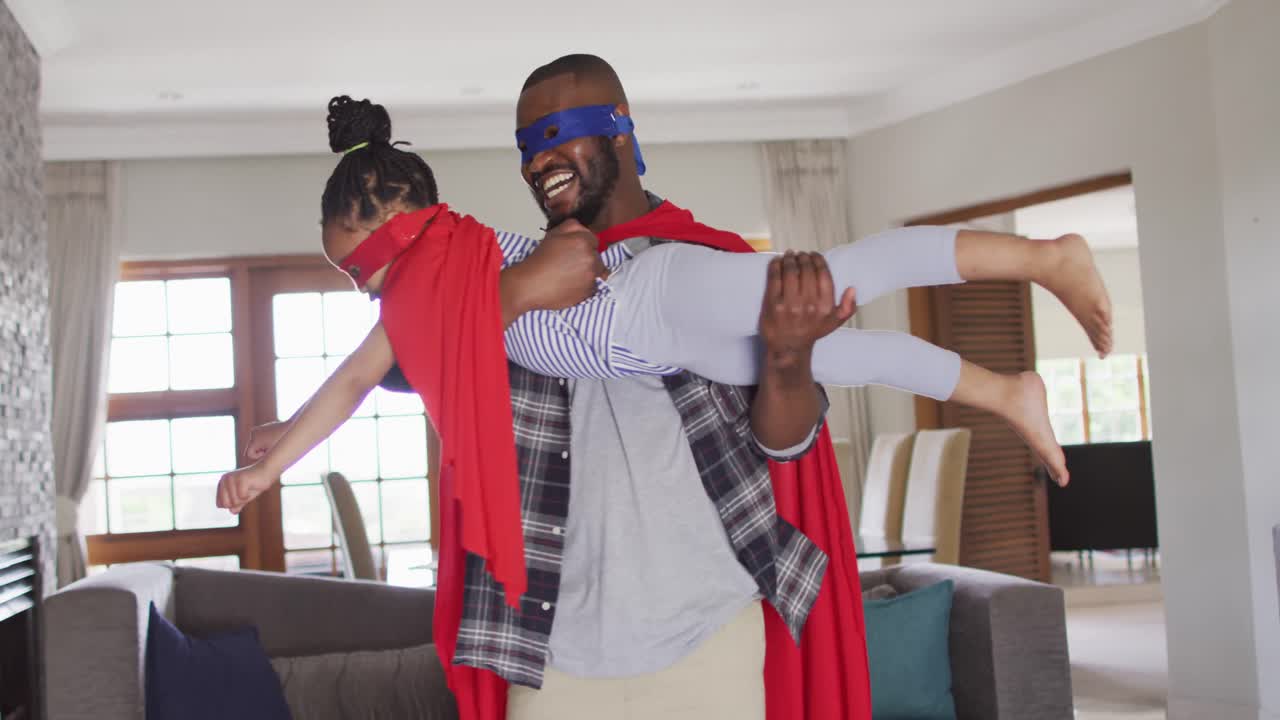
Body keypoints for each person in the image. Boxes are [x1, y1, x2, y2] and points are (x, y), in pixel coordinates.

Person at [223, 58, 1110, 720]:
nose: (541, 159)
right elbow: (365, 377)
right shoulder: (441, 308)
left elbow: (774, 436)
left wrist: (787, 360)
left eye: (558, 133)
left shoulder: (535, 263)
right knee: (857, 354)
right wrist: (282, 439)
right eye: (527, 145)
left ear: (620, 132)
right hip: (557, 644)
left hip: (696, 564)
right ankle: (1003, 393)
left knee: (840, 283)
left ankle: (1042, 258)